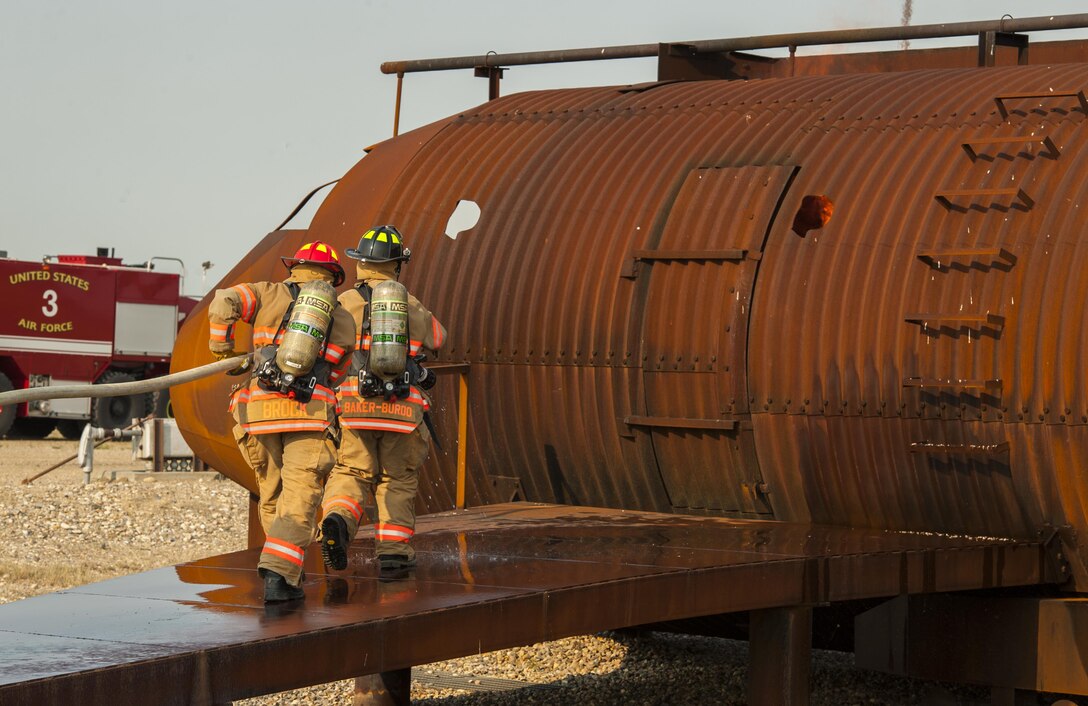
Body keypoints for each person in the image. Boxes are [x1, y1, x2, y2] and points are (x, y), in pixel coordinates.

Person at [207, 241, 355, 602]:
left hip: (257, 413)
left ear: (295, 268)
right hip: (308, 413)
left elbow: (222, 301)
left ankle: (287, 574)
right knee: (301, 497)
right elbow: (337, 370)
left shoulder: (265, 293)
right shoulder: (342, 315)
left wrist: (224, 351)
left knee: (271, 494)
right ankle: (279, 574)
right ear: (333, 277)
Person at [319, 225, 446, 576]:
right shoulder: (410, 304)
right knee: (397, 480)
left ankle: (338, 522)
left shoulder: (343, 302)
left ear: (360, 262)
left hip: (354, 407)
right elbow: (438, 338)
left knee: (351, 472)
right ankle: (393, 553)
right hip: (402, 410)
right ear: (397, 265)